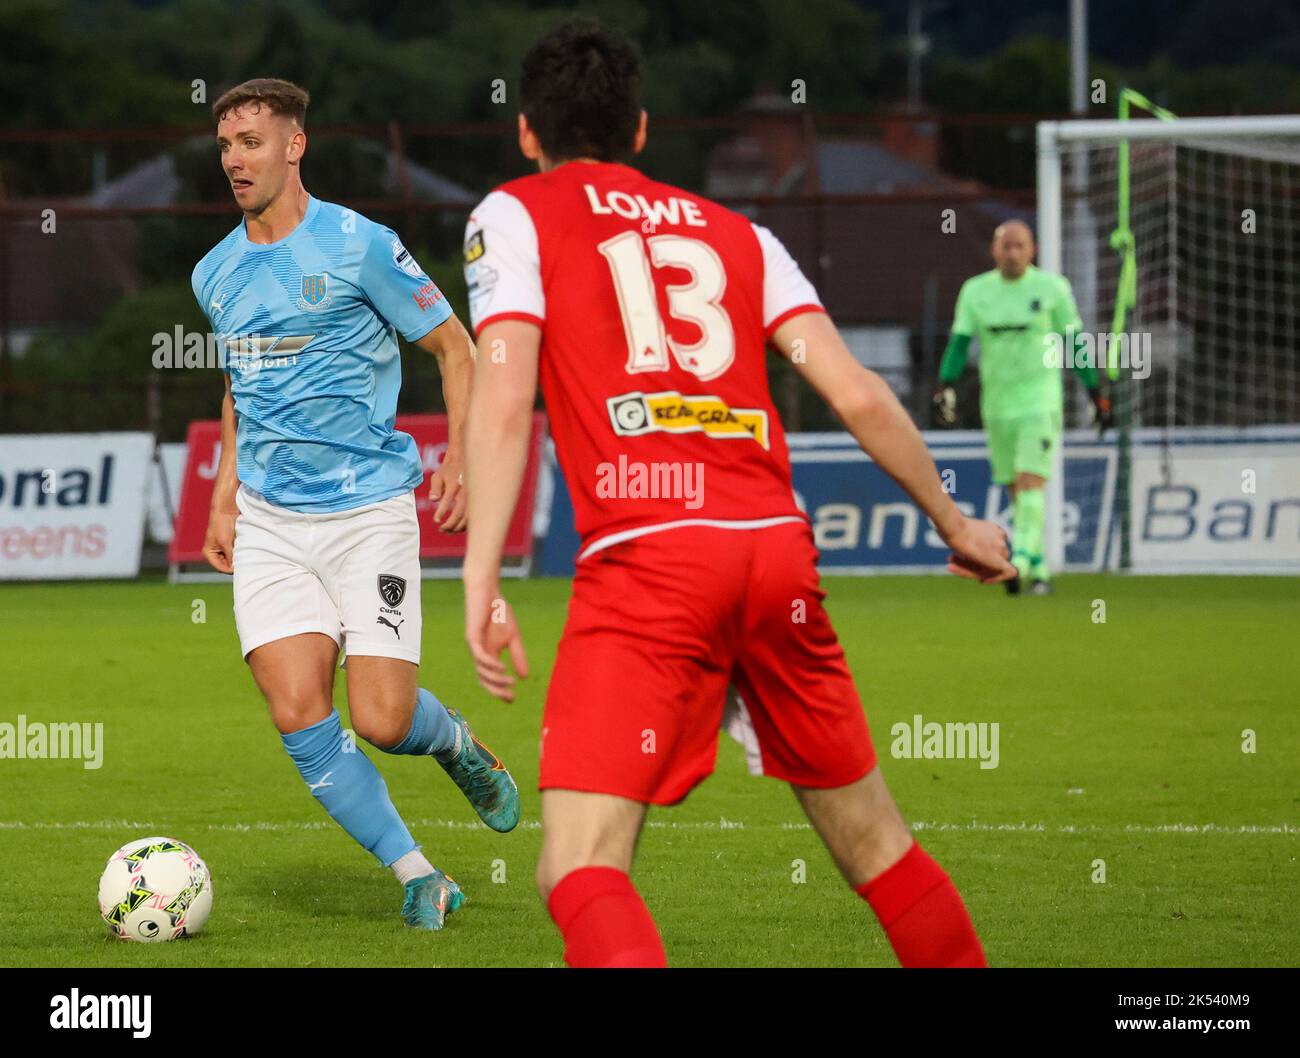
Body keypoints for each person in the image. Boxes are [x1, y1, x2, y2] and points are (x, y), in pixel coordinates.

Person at [460, 21, 1014, 967]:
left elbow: (506, 399)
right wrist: (953, 520)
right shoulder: (741, 235)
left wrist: (481, 579)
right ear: (639, 130)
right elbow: (855, 391)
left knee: (577, 868)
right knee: (880, 849)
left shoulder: (512, 213)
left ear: (526, 134)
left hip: (651, 559)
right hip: (774, 554)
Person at [193, 77, 519, 931]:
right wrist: (226, 496)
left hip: (368, 513)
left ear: (295, 146)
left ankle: (453, 742)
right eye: (226, 144)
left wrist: (463, 462)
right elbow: (239, 385)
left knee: (380, 717)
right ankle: (421, 875)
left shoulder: (361, 244)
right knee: (298, 710)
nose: (235, 158)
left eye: (252, 141)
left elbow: (457, 349)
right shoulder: (214, 272)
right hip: (269, 522)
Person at [932, 220, 1111, 595]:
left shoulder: (1052, 289)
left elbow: (1074, 345)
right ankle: (1040, 569)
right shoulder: (976, 291)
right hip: (996, 405)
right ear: (995, 251)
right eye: (1005, 246)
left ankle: (1020, 562)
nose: (1011, 253)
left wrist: (1095, 392)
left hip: (1039, 401)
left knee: (1032, 480)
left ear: (1032, 249)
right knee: (1016, 488)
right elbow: (960, 343)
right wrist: (945, 385)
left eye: (1019, 246)